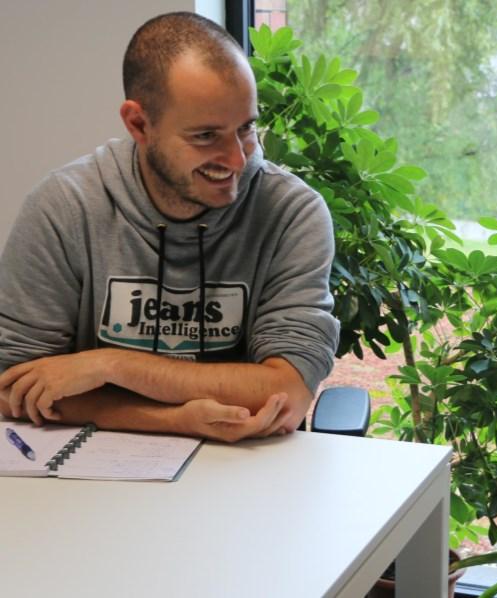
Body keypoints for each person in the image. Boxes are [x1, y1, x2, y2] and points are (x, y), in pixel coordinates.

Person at [0, 12, 339, 442]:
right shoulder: (64, 207)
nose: (238, 159)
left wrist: (110, 364)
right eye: (205, 136)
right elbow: (14, 386)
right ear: (139, 124)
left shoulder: (292, 212)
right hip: (92, 480)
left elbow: (286, 388)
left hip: (248, 475)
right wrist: (173, 420)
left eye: (246, 128)